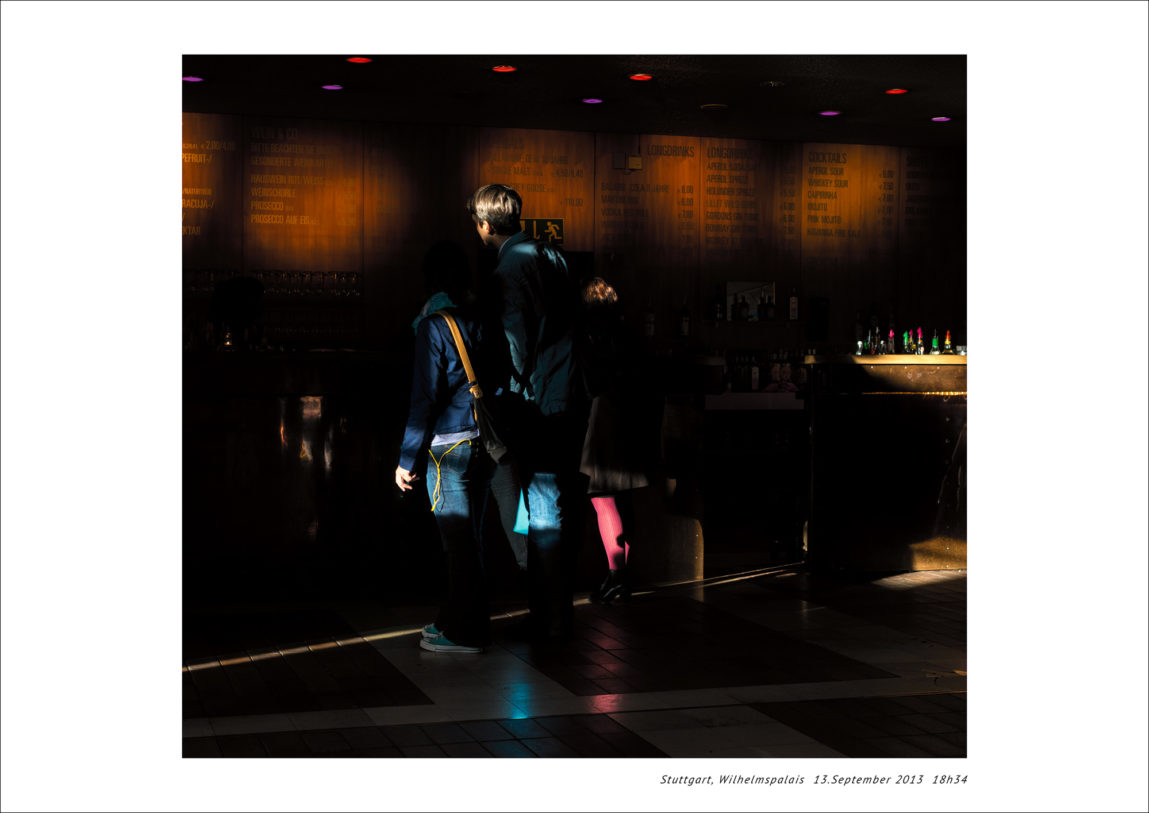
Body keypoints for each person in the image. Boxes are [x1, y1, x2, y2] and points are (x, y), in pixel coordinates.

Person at [466, 183, 587, 641]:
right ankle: (558, 611)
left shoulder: (508, 269)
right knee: (558, 503)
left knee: (542, 507)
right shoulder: (553, 256)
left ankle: (548, 617)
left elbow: (514, 343)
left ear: (484, 225)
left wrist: (507, 392)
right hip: (569, 394)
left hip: (536, 402)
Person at [395, 242, 492, 654]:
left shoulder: (432, 326)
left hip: (448, 448)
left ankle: (463, 633)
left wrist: (406, 459)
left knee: (457, 545)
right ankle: (460, 621)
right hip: (483, 441)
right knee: (471, 541)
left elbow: (424, 398)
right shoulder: (481, 318)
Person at [577, 278, 656, 604]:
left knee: (602, 498)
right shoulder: (628, 334)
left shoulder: (590, 336)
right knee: (623, 500)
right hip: (631, 419)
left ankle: (617, 576)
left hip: (603, 418)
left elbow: (589, 383)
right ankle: (619, 574)